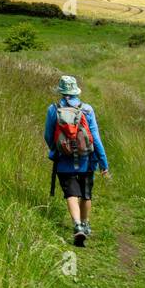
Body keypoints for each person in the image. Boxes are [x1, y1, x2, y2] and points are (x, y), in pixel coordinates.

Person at [45, 75, 109, 246]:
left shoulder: (53, 109)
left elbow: (48, 135)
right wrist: (103, 162)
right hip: (87, 160)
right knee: (86, 193)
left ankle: (77, 225)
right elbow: (95, 138)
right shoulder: (87, 109)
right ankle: (86, 224)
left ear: (61, 91)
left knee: (71, 193)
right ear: (75, 91)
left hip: (63, 160)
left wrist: (57, 149)